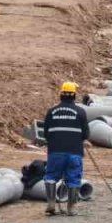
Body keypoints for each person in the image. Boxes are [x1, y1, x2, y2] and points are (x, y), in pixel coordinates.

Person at [41, 82, 89, 216]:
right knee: (74, 179)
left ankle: (51, 203)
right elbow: (86, 134)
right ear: (74, 95)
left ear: (61, 94)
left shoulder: (51, 112)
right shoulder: (80, 112)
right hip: (74, 152)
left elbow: (45, 134)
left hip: (55, 151)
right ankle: (71, 208)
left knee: (50, 176)